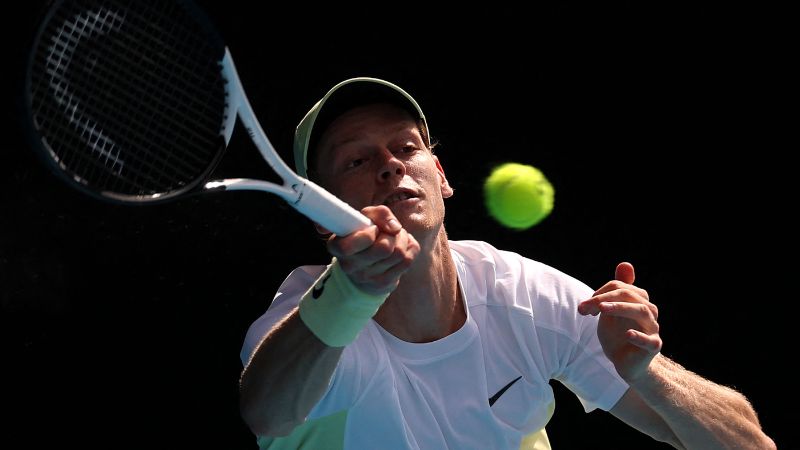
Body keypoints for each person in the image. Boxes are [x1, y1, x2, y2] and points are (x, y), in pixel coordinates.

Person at [238, 77, 775, 449]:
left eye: (406, 147)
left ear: (441, 176)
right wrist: (350, 295)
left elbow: (748, 445)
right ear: (324, 218)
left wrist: (648, 374)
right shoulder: (307, 314)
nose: (389, 166)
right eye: (356, 159)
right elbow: (267, 413)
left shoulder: (523, 294)